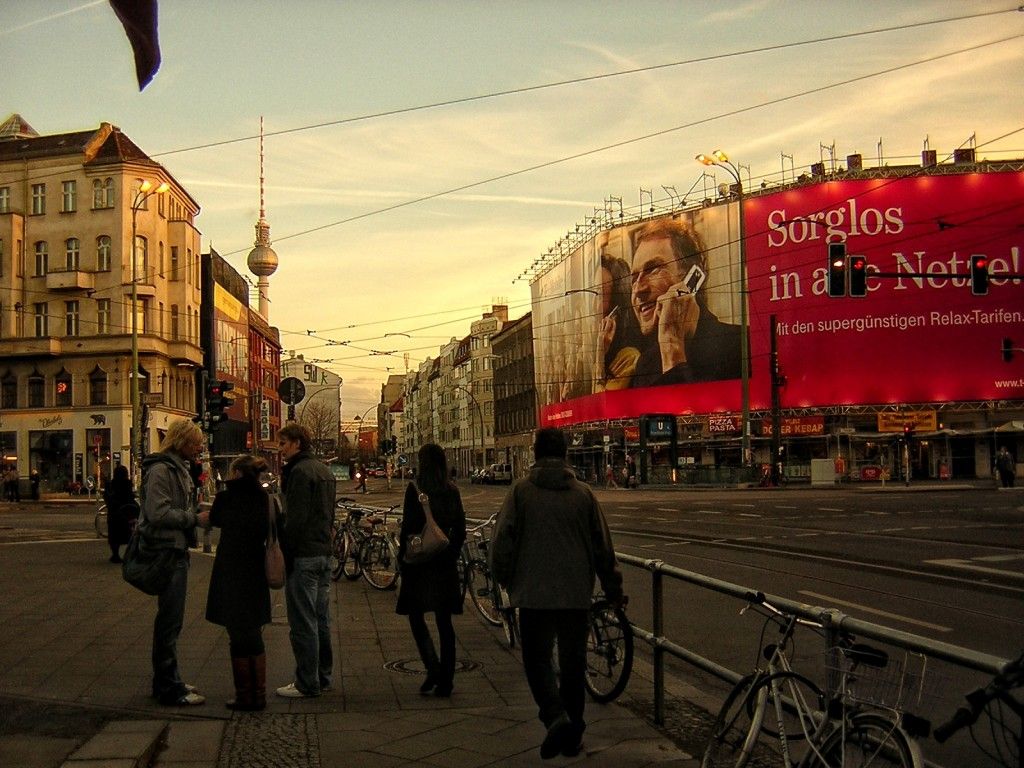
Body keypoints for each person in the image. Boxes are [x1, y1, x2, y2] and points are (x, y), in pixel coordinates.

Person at [490, 427, 624, 760]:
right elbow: (602, 547)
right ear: (565, 454)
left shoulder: (520, 492)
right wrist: (613, 588)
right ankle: (573, 732)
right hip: (576, 594)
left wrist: (504, 579)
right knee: (573, 665)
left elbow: (502, 542)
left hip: (533, 593)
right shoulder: (583, 495)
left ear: (535, 453)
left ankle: (555, 717)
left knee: (536, 661)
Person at [139, 418, 206, 706]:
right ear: (181, 442)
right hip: (166, 551)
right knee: (169, 621)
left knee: (172, 620)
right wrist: (193, 518)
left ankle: (168, 678)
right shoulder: (162, 471)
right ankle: (168, 685)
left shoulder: (178, 469)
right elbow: (158, 512)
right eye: (195, 444)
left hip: (175, 549)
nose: (198, 449)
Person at [628, 218, 742, 388]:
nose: (638, 289)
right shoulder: (646, 364)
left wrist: (672, 346)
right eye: (633, 278)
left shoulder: (740, 346)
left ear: (691, 276)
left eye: (653, 270)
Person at [197, 454, 272, 711]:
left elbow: (215, 519)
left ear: (237, 474)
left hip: (231, 569)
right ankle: (258, 693)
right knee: (253, 630)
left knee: (236, 633)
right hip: (255, 568)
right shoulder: (264, 498)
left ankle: (243, 695)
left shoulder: (226, 498)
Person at [396, 444, 467, 697]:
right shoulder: (452, 491)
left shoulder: (415, 490)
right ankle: (446, 679)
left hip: (420, 564)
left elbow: (409, 528)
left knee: (417, 617)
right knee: (444, 622)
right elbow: (461, 529)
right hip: (444, 565)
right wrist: (451, 553)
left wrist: (403, 557)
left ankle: (432, 667)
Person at [276, 423, 336, 698]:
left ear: (298, 443)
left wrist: (284, 552)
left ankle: (306, 682)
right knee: (320, 619)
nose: (280, 449)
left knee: (303, 621)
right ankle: (323, 675)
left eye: (283, 443)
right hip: (323, 553)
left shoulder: (299, 472)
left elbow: (295, 519)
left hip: (304, 556)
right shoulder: (324, 470)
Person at [596, 251, 642, 392]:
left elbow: (601, 405)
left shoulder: (628, 357)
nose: (592, 303)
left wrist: (599, 358)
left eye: (599, 294)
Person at [103, 464, 137, 563]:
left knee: (114, 536)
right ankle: (129, 554)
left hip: (114, 514)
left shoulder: (111, 485)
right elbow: (130, 498)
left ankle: (115, 554)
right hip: (125, 514)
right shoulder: (127, 484)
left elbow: (108, 497)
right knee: (128, 534)